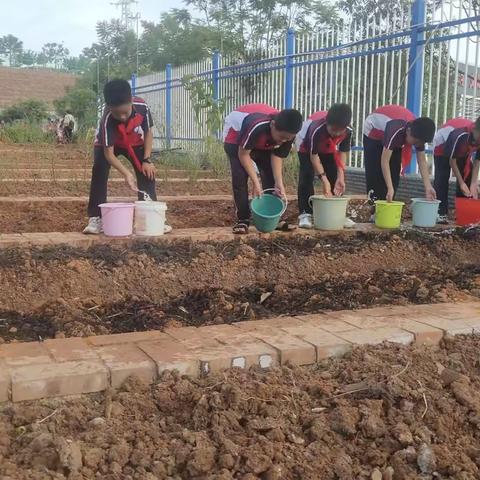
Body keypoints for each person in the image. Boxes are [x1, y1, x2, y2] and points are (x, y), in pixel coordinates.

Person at [83, 79, 170, 234]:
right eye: (117, 113)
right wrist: (127, 173)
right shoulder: (107, 119)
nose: (122, 117)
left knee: (147, 173)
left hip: (133, 141)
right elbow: (109, 154)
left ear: (131, 101)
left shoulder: (142, 107)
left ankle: (150, 216)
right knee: (99, 170)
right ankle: (96, 217)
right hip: (109, 145)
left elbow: (148, 132)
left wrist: (147, 159)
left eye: (125, 112)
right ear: (109, 108)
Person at [223, 103, 303, 234]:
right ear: (272, 124)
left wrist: (279, 183)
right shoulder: (257, 126)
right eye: (282, 137)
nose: (284, 141)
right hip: (236, 135)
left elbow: (277, 156)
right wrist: (256, 181)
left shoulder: (287, 133)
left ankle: (273, 218)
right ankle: (242, 219)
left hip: (263, 137)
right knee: (240, 177)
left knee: (270, 176)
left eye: (288, 139)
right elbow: (243, 155)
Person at [362, 105, 436, 212]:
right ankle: (375, 210)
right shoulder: (395, 130)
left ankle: (388, 207)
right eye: (415, 142)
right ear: (409, 131)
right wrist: (389, 187)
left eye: (420, 143)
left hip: (394, 133)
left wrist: (428, 186)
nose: (416, 145)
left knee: (394, 171)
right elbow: (384, 161)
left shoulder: (418, 133)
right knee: (375, 172)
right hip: (373, 133)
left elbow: (422, 160)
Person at [295, 103, 353, 229]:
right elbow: (313, 157)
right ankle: (305, 213)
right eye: (333, 130)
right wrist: (324, 180)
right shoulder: (317, 129)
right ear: (327, 123)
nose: (336, 133)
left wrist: (341, 175)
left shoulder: (348, 131)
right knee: (307, 175)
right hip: (305, 147)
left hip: (328, 146)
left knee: (333, 174)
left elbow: (342, 153)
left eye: (340, 130)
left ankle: (338, 213)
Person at [433, 117, 480, 223]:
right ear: (475, 130)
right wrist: (461, 182)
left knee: (468, 175)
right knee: (442, 178)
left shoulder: (476, 137)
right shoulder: (461, 135)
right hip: (442, 147)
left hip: (462, 150)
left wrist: (473, 183)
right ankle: (440, 213)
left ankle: (463, 212)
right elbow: (452, 160)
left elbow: (477, 162)